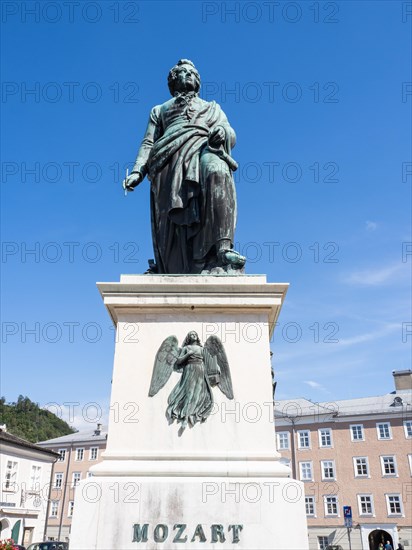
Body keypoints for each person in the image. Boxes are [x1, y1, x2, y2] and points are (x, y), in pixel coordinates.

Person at [124, 59, 245, 274]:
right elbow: (148, 142)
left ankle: (222, 248)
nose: (189, 75)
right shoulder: (159, 110)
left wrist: (222, 134)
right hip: (167, 159)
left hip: (204, 147)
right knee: (170, 213)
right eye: (183, 72)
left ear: (198, 82)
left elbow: (230, 132)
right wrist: (137, 171)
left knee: (217, 169)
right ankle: (171, 263)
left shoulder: (212, 108)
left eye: (193, 73)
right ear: (173, 80)